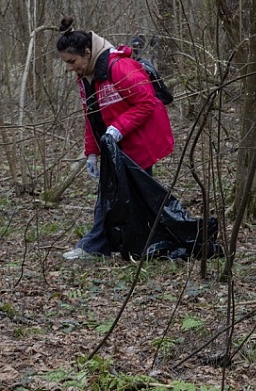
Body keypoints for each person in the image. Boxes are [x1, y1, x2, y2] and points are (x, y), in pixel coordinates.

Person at [57, 17, 174, 260]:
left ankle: (110, 245)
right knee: (113, 193)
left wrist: (117, 129)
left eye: (72, 61)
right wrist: (92, 151)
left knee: (128, 194)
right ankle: (117, 244)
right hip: (116, 143)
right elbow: (92, 116)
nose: (70, 67)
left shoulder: (119, 67)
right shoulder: (85, 77)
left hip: (139, 140)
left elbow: (147, 103)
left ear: (87, 53)